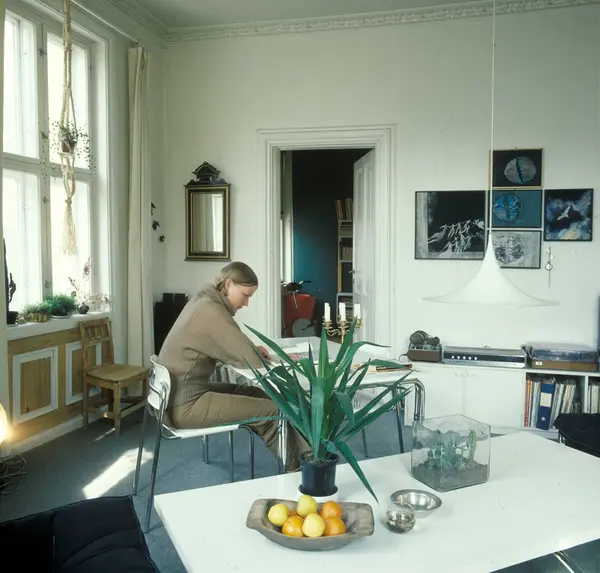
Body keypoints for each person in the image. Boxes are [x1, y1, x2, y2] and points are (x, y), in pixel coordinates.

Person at [158, 261, 308, 472]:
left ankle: (307, 455)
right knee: (272, 412)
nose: (246, 303)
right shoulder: (211, 311)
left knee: (257, 394)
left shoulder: (204, 300)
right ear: (228, 284)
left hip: (175, 397)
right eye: (245, 295)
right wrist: (254, 352)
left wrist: (251, 348)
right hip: (185, 406)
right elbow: (250, 360)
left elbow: (229, 344)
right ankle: (301, 470)